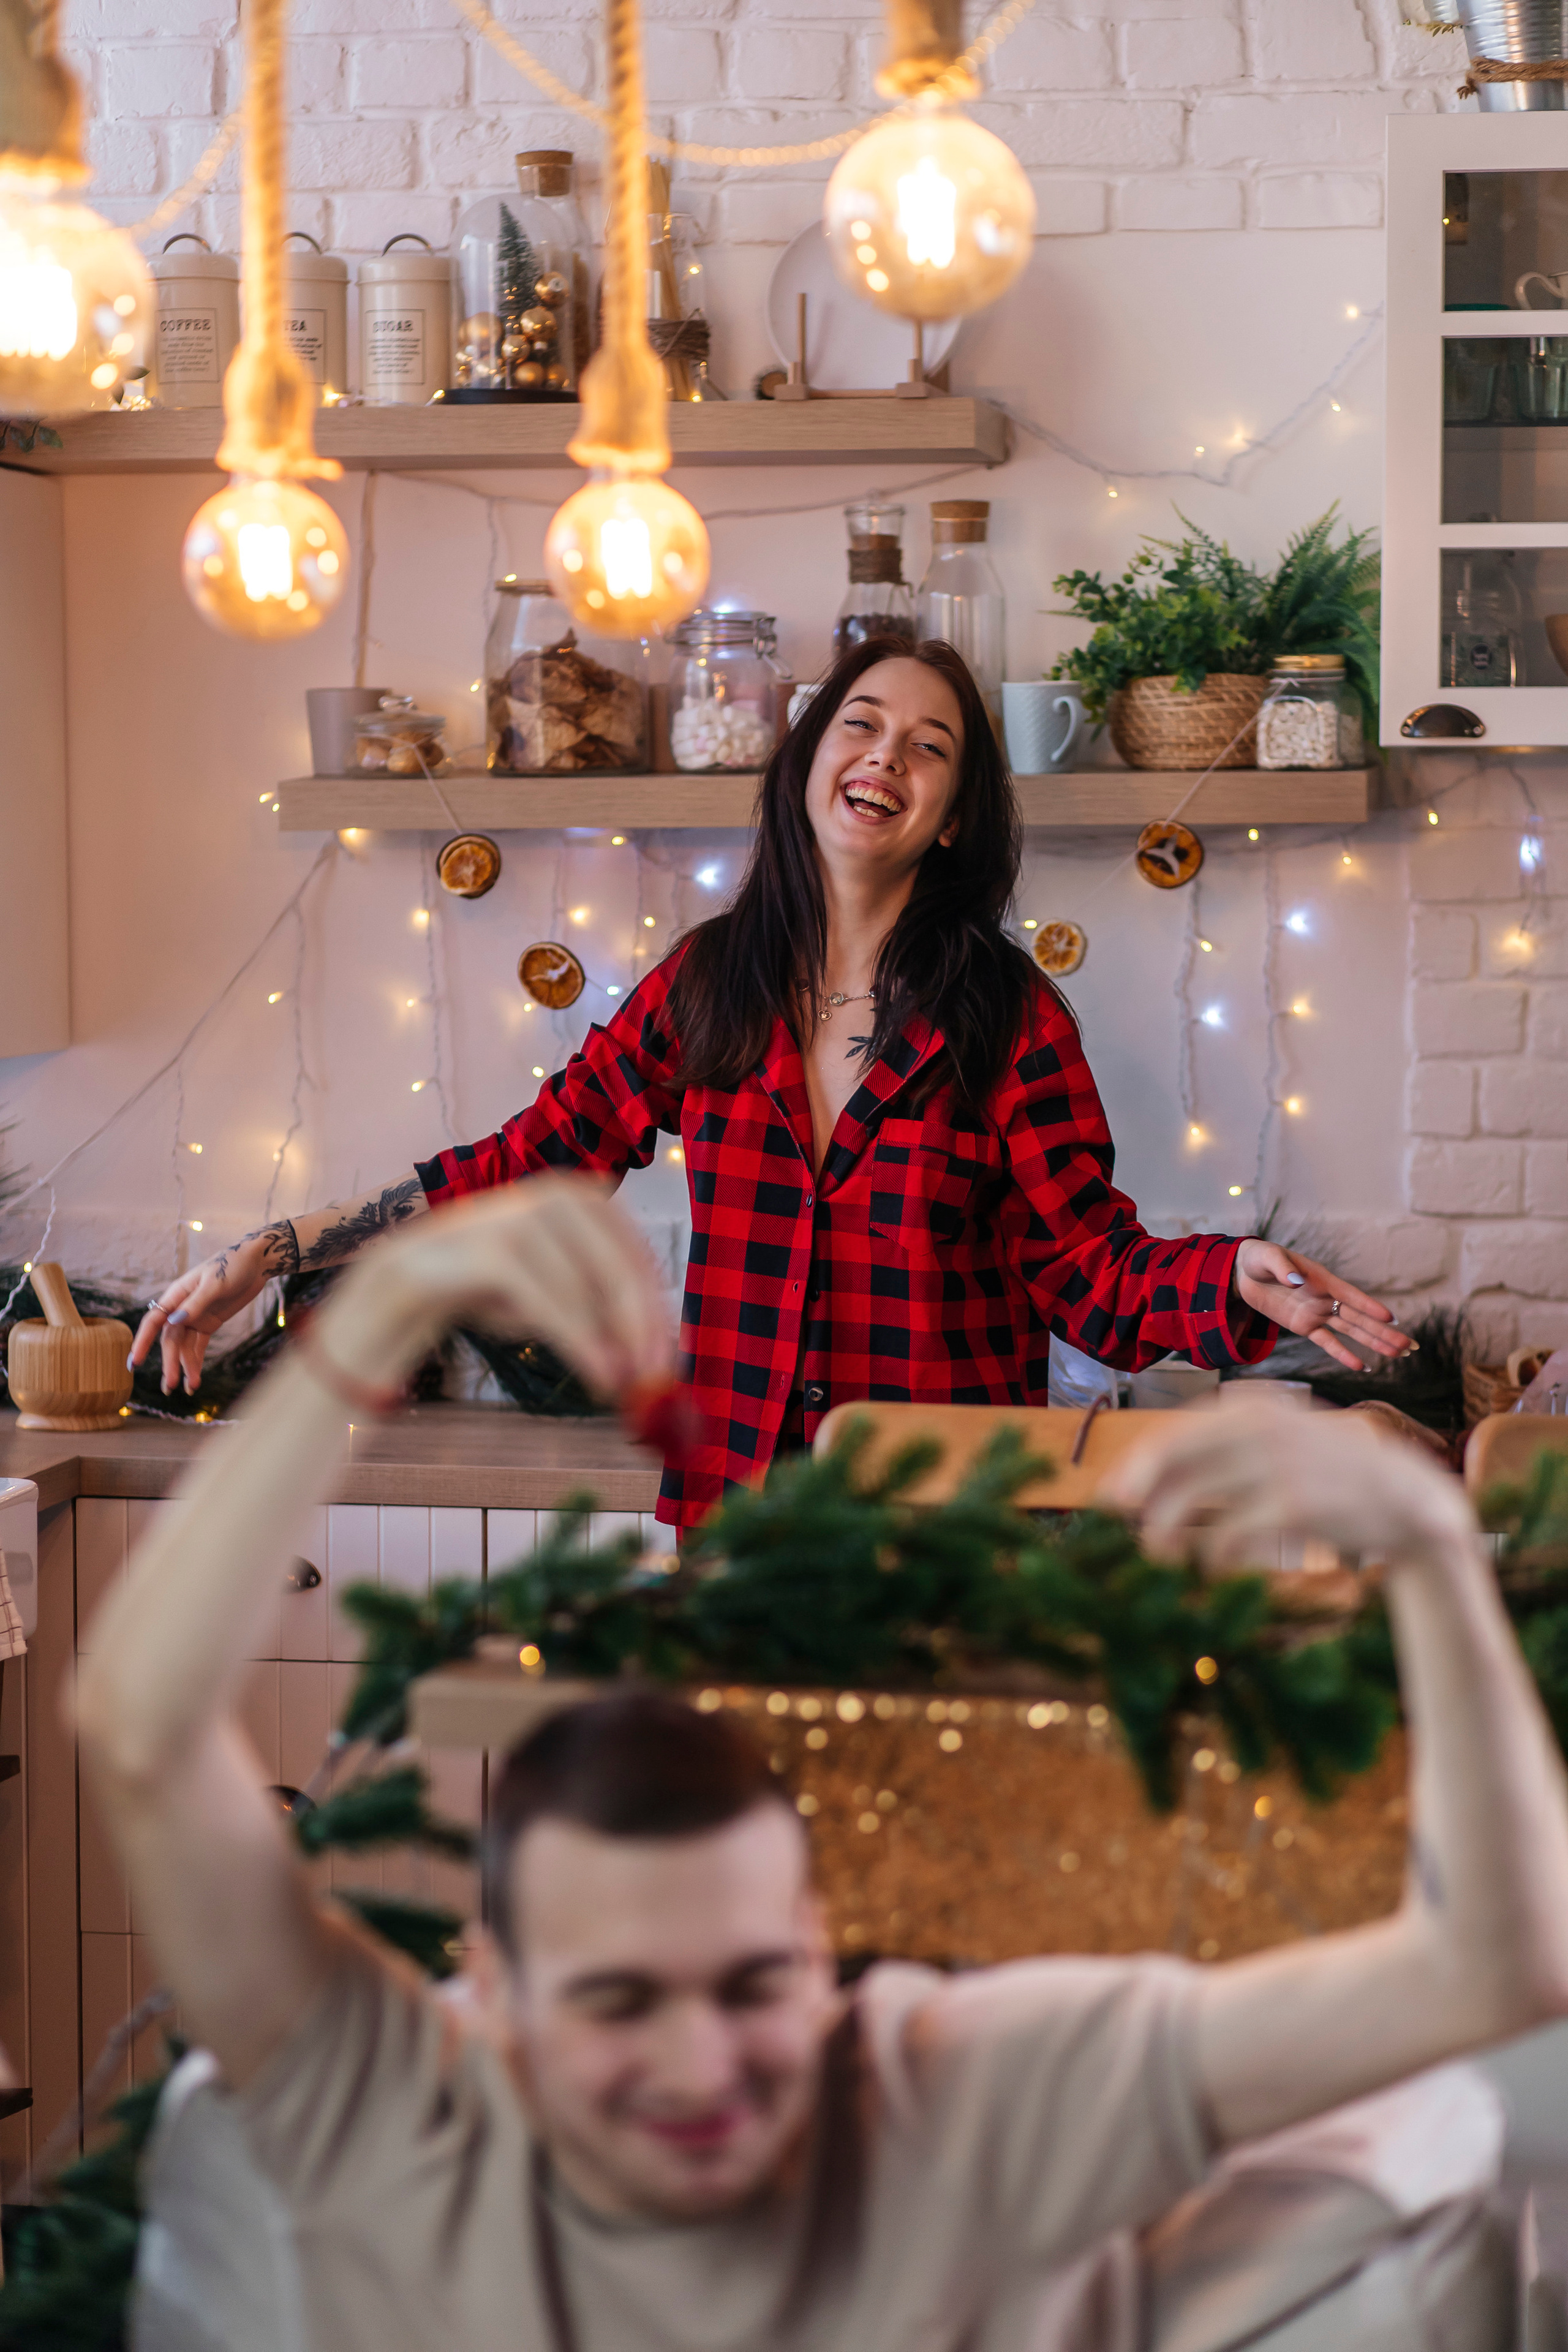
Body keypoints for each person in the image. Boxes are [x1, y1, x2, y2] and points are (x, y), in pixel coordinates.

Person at [80, 1181, 1568, 2352]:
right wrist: (381, 1305)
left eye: (749, 1984)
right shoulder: (411, 2109)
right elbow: (140, 1734)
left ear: (821, 1954)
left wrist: (1425, 1550)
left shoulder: (951, 2089)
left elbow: (1490, 1974)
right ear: (496, 2003)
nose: (699, 2064)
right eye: (615, 2001)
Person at [130, 639, 1410, 1533]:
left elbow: (1088, 1272)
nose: (884, 758)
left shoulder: (1006, 1021)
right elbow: (521, 1167)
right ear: (806, 761)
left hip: (943, 1541)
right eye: (859, 725)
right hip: (738, 1541)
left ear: (951, 817)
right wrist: (278, 1247)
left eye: (928, 748)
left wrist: (1228, 1279)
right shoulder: (707, 990)